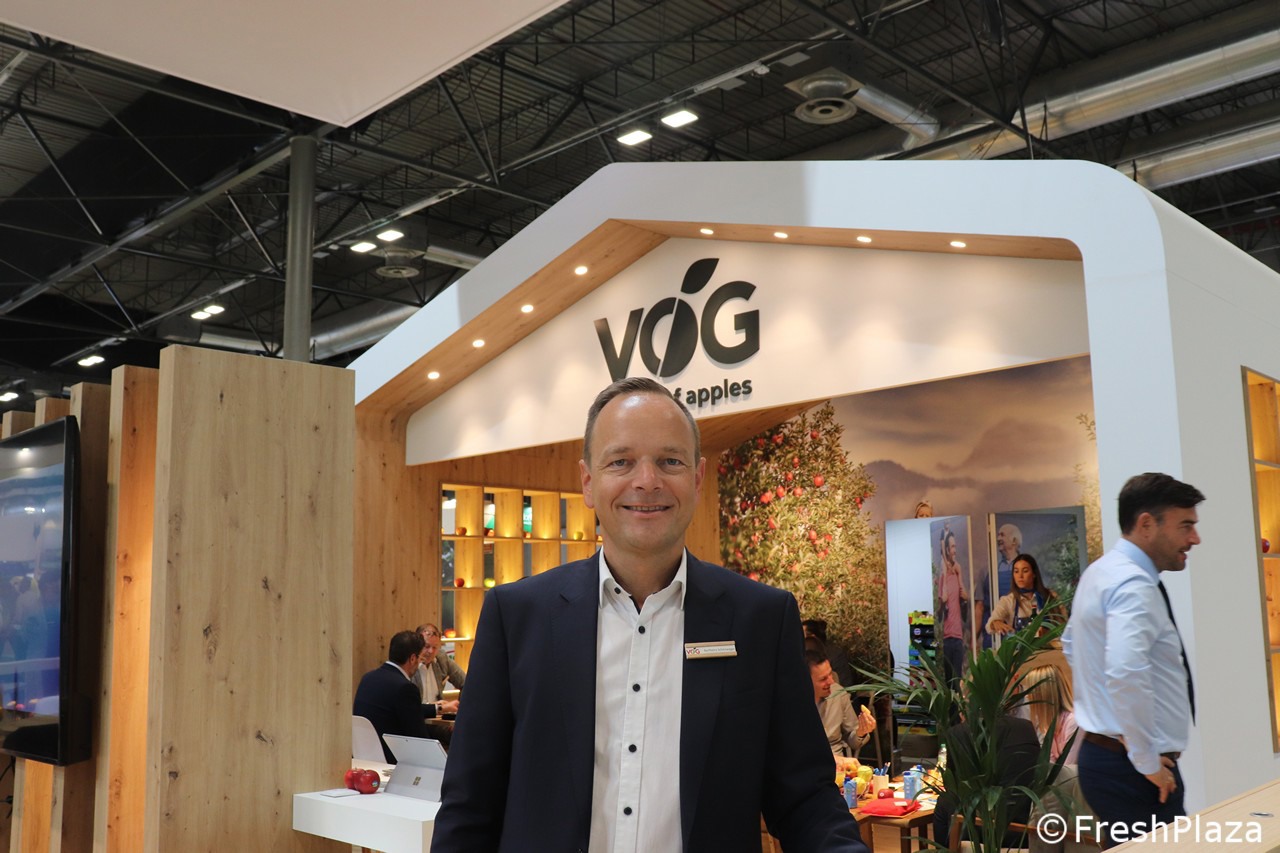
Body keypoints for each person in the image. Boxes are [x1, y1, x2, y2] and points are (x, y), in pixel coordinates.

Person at [433, 377, 867, 852]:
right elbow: (470, 806)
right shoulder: (517, 617)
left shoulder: (761, 619)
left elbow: (805, 798)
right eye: (621, 461)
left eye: (670, 461)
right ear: (588, 482)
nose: (646, 481)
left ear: (697, 478)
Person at [1063, 472, 1203, 848]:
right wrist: (1145, 760)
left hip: (1111, 759)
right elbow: (1126, 671)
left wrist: (1119, 728)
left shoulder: (1101, 572)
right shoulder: (1133, 585)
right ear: (1146, 524)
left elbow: (1072, 645)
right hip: (1133, 772)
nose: (1195, 538)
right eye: (1185, 525)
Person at [933, 714, 1041, 846]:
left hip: (981, 832)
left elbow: (951, 784)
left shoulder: (958, 732)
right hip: (1027, 830)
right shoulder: (1025, 727)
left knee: (945, 800)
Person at [353, 630, 452, 763]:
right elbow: (420, 738)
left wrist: (438, 708)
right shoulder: (405, 688)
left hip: (363, 758)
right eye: (420, 658)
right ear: (412, 658)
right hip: (395, 760)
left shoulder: (368, 678)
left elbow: (402, 710)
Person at [807, 649, 876, 762]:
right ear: (806, 681)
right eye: (823, 679)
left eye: (830, 674)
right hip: (807, 764)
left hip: (838, 764)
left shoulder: (838, 694)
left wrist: (861, 732)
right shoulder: (791, 703)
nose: (831, 681)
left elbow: (853, 741)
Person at [987, 553, 1057, 635]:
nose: (1020, 576)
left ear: (1034, 574)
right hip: (1020, 644)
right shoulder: (1008, 601)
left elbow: (1063, 625)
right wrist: (995, 623)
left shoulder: (1050, 596)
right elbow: (990, 624)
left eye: (1025, 571)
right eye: (1016, 571)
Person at [1023, 664, 1079, 765]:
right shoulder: (1046, 723)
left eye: (1030, 691)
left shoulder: (1073, 722)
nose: (1027, 696)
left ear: (1043, 694)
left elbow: (1068, 768)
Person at [935, 528, 969, 685]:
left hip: (958, 638)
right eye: (952, 547)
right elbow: (939, 616)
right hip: (948, 639)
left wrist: (965, 600)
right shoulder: (943, 578)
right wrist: (942, 604)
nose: (955, 550)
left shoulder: (958, 573)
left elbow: (965, 616)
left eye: (956, 546)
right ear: (947, 550)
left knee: (957, 682)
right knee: (950, 684)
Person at [411, 622, 467, 703]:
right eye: (427, 646)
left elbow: (466, 683)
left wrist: (461, 707)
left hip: (440, 710)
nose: (431, 651)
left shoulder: (441, 658)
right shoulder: (409, 663)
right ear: (417, 645)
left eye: (435, 647)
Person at [995, 523, 1023, 598]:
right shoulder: (993, 568)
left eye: (1002, 535)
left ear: (1014, 540)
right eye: (998, 535)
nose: (998, 539)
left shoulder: (1026, 565)